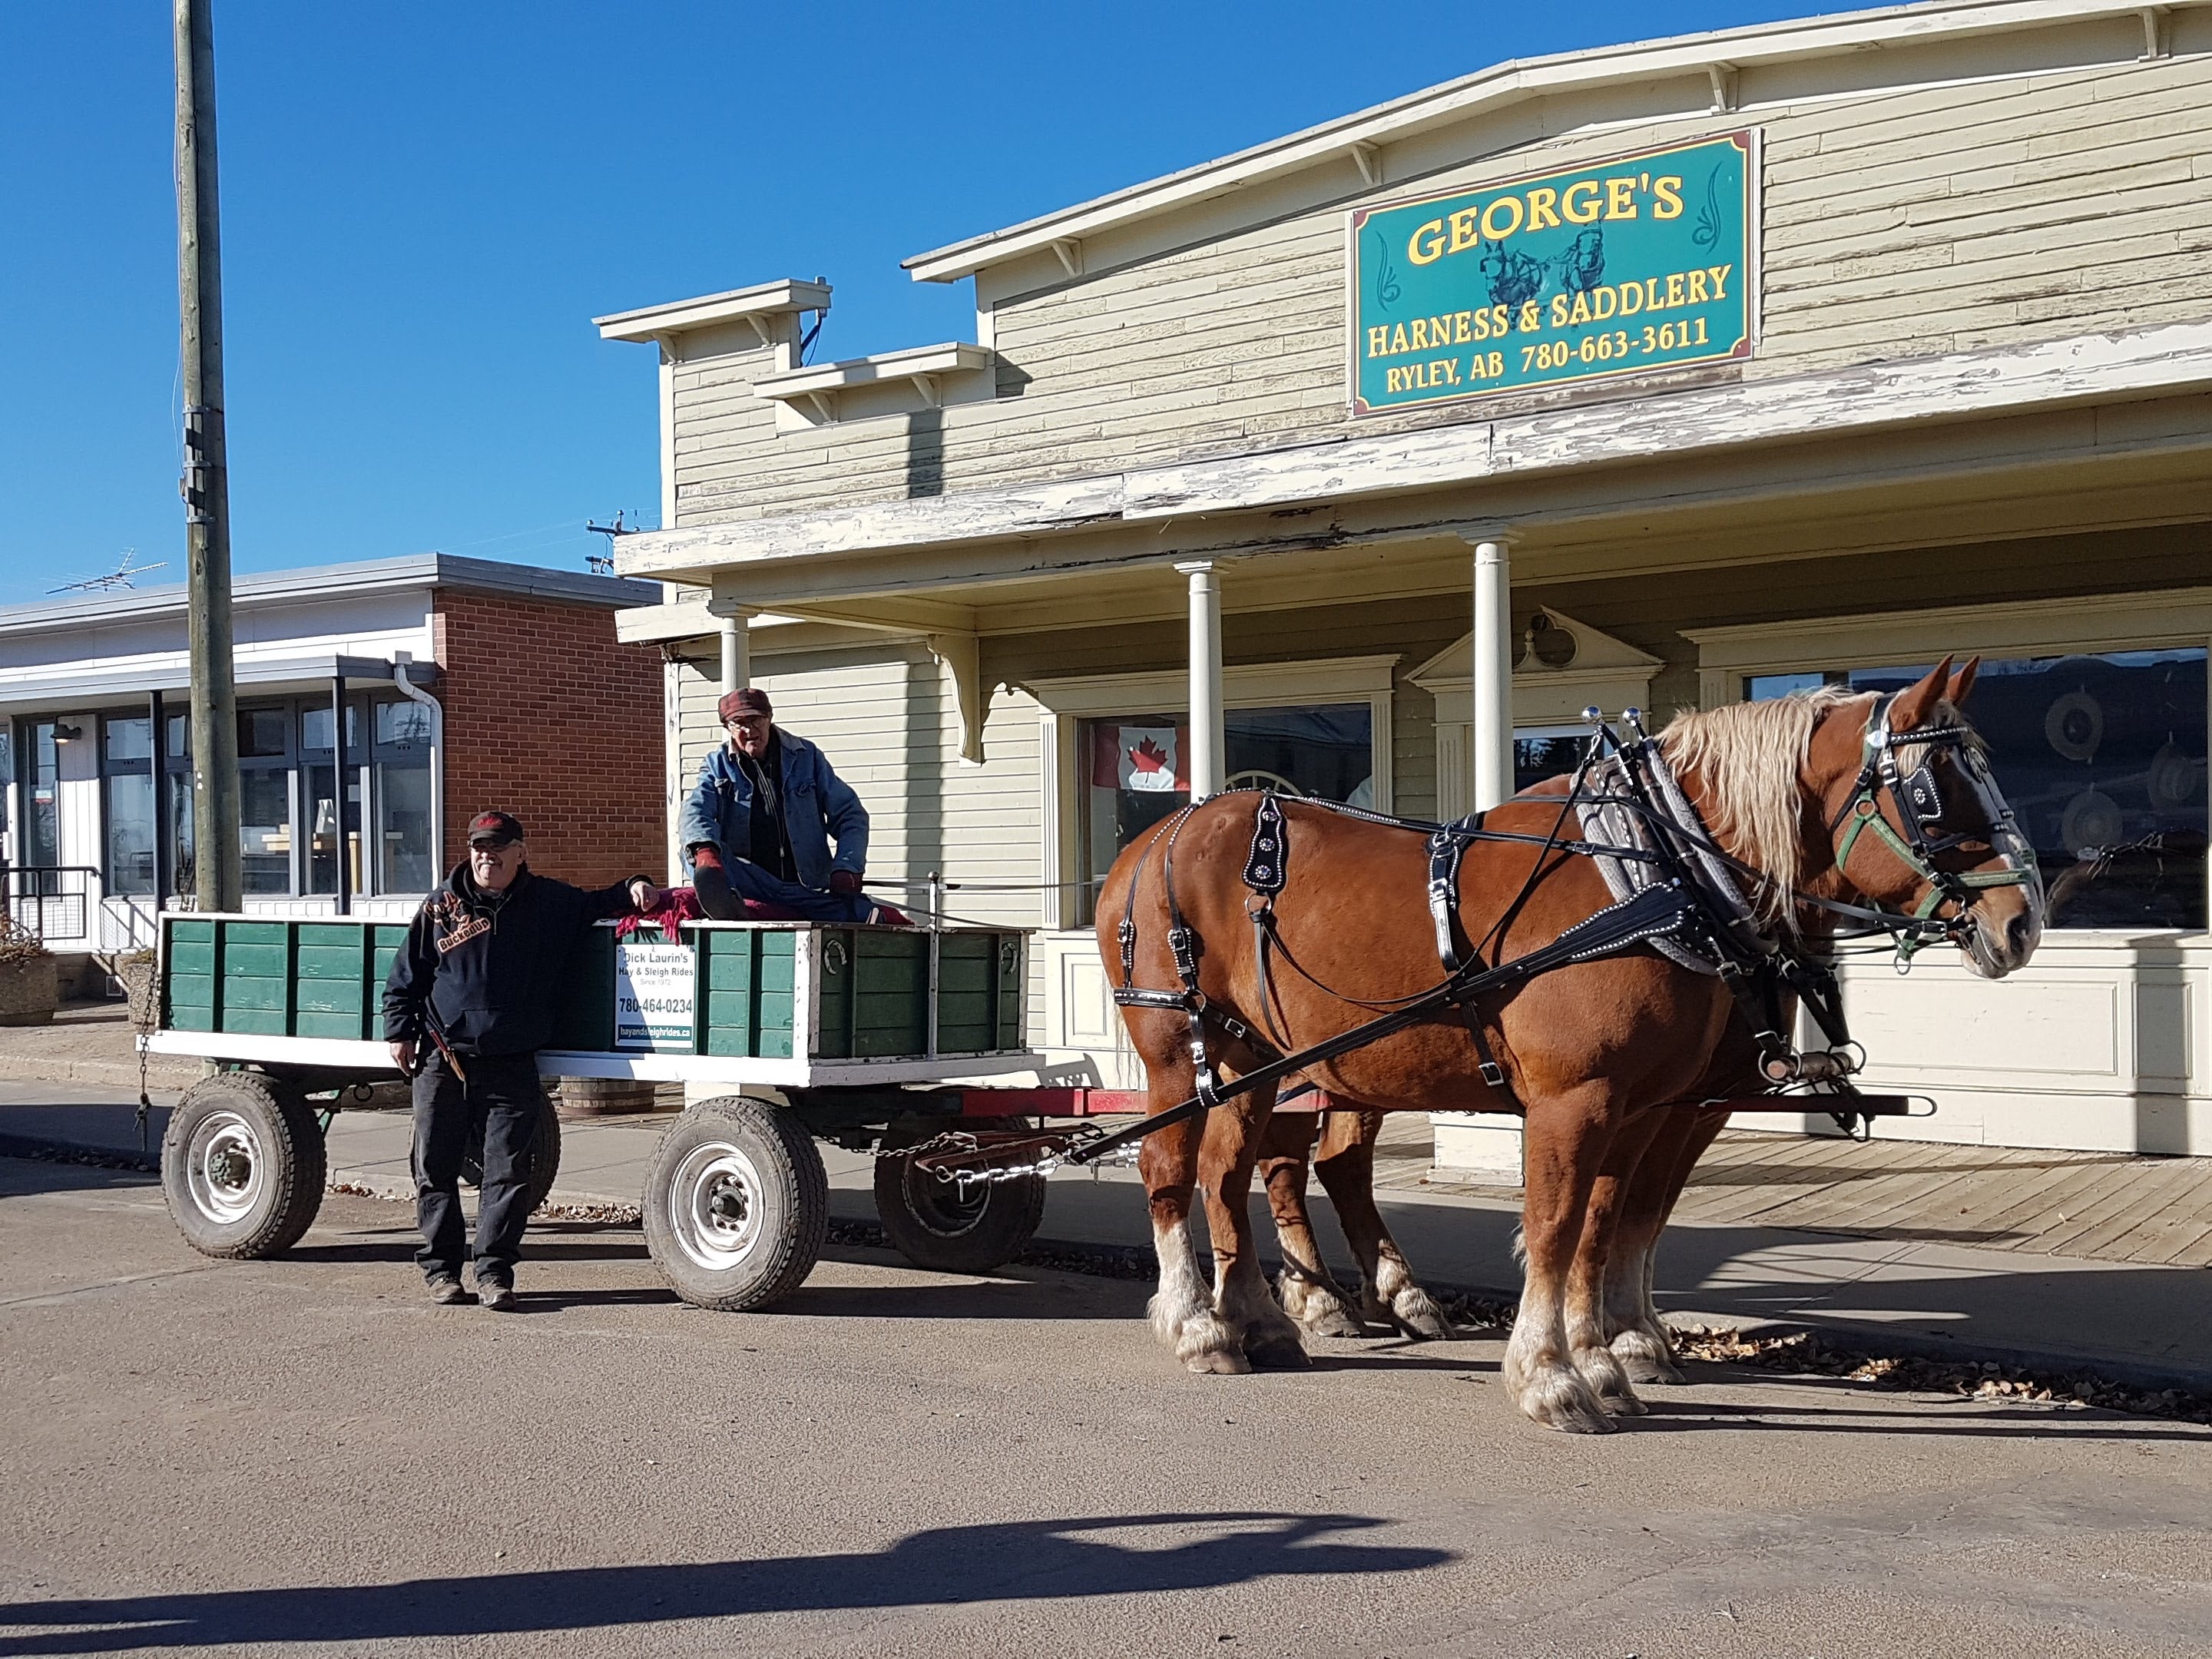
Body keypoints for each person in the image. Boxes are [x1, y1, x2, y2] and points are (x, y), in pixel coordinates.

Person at [383, 810, 658, 1310]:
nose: (486, 855)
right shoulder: (442, 906)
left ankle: (493, 1273)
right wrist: (399, 1032)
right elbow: (407, 976)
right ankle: (442, 1272)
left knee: (508, 1172)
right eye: (478, 846)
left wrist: (637, 884)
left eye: (497, 846)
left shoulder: (549, 903)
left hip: (511, 1062)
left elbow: (603, 900)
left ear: (520, 852)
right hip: (444, 1058)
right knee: (434, 1167)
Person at [678, 687, 879, 923]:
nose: (749, 730)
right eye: (738, 723)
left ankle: (852, 914)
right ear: (727, 728)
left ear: (769, 718)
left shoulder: (807, 757)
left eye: (755, 720)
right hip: (750, 883)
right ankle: (726, 905)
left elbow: (851, 815)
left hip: (806, 886)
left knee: (861, 913)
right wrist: (704, 851)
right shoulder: (717, 765)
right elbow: (695, 810)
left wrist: (847, 866)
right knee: (698, 849)